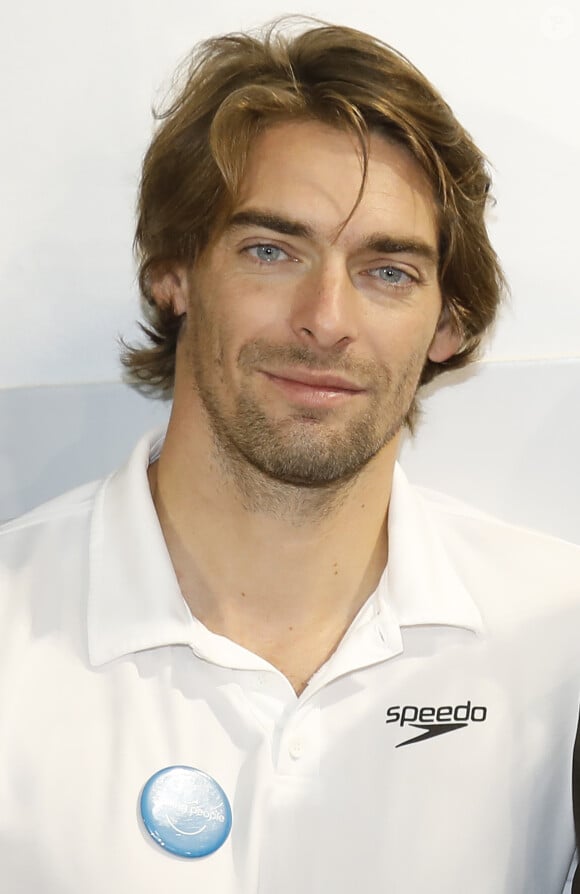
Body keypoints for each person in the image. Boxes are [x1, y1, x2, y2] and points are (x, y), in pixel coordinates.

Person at [0, 18, 579, 894]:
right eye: (271, 250)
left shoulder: (563, 645)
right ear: (175, 273)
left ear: (450, 326)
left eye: (389, 271)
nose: (326, 318)